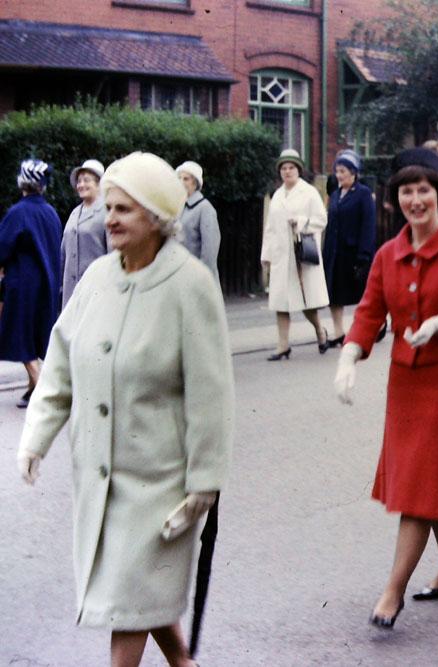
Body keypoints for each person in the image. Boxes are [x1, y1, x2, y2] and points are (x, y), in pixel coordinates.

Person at [16, 151, 233, 667]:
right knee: (133, 592)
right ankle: (183, 662)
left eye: (124, 210)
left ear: (157, 217)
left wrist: (204, 482)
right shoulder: (95, 279)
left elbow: (211, 393)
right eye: (108, 207)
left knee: (126, 601)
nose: (109, 218)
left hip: (159, 485)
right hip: (100, 478)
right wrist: (35, 438)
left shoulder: (190, 285)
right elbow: (62, 365)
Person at [333, 147, 438, 630]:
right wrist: (350, 354)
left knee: (419, 490)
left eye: (424, 189)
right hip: (404, 386)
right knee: (427, 486)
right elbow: (368, 313)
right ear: (395, 199)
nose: (415, 199)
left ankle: (392, 591)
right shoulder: (388, 254)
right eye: (406, 191)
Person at [0, 158, 62, 408]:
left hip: (22, 284)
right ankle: (30, 387)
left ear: (22, 182)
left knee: (19, 334)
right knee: (36, 335)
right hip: (47, 282)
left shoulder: (18, 212)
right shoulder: (50, 212)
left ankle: (40, 387)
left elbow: (2, 248)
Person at [260, 148, 330, 359]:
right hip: (281, 256)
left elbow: (321, 220)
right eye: (283, 168)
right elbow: (270, 228)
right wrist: (266, 255)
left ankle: (320, 331)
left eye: (291, 168)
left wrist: (299, 223)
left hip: (301, 257)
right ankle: (283, 346)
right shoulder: (278, 195)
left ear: (298, 170)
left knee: (307, 303)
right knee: (280, 302)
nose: (287, 172)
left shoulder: (308, 192)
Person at [322, 149, 376, 348]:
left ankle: (371, 327)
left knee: (360, 293)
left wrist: (364, 255)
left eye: (343, 171)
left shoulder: (363, 194)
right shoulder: (335, 195)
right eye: (337, 171)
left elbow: (368, 225)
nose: (339, 175)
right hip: (335, 253)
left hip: (354, 253)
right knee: (334, 294)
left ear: (354, 172)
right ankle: (339, 332)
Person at [61, 159, 108, 307]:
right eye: (79, 181)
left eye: (86, 180)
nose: (81, 185)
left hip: (96, 289)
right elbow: (63, 252)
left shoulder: (107, 212)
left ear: (99, 183)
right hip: (71, 292)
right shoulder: (74, 213)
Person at [175, 161, 221, 284]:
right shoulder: (178, 207)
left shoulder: (205, 208)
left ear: (195, 183)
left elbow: (210, 249)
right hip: (179, 275)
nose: (181, 182)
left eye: (186, 179)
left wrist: (202, 277)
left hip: (197, 277)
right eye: (179, 178)